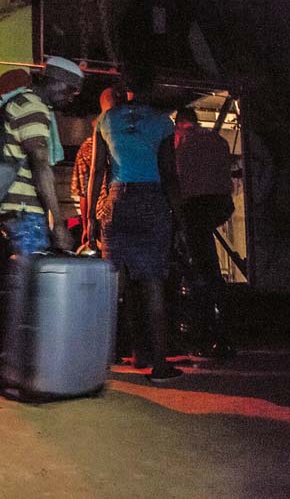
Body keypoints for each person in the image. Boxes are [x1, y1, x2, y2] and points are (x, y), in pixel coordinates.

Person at [86, 66, 185, 383]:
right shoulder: (162, 123)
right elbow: (170, 175)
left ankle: (98, 364)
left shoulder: (106, 121)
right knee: (153, 283)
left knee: (112, 289)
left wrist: (90, 219)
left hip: (118, 201)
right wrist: (179, 221)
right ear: (153, 87)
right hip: (152, 201)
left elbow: (96, 174)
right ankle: (159, 365)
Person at [0, 56, 83, 256]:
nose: (72, 97)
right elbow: (40, 163)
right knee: (32, 279)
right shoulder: (33, 106)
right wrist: (58, 223)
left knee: (28, 276)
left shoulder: (21, 101)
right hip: (25, 210)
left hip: (16, 208)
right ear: (58, 82)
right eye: (72, 90)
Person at [173, 107, 234, 356]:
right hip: (220, 204)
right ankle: (221, 329)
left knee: (200, 268)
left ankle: (206, 331)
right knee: (208, 261)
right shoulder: (217, 139)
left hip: (195, 205)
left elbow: (176, 176)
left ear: (179, 124)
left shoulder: (180, 141)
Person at [71, 86, 122, 245]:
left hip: (102, 218)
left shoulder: (87, 147)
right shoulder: (134, 140)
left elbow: (84, 192)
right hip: (131, 210)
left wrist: (88, 226)